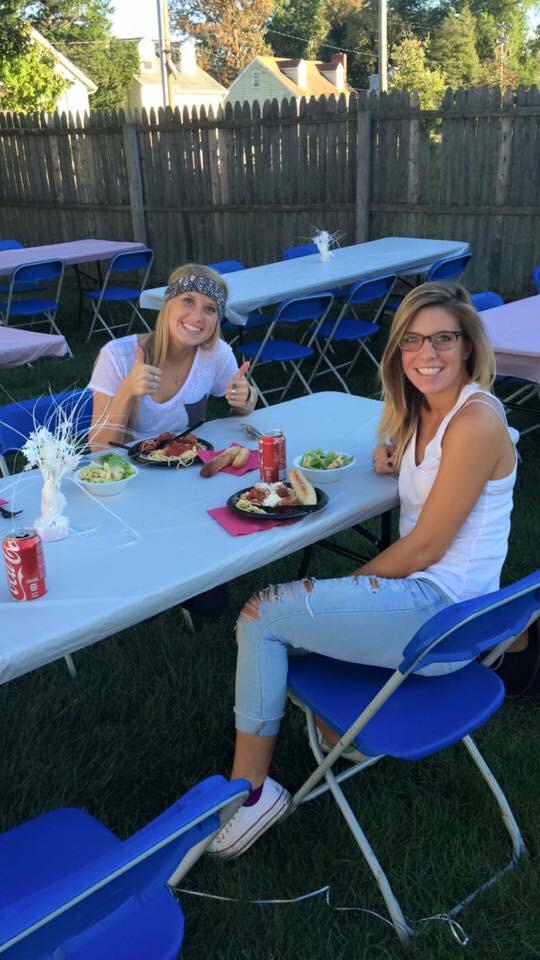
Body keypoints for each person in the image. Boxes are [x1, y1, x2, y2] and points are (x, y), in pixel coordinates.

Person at [208, 281, 517, 860]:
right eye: (412, 341)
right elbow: (450, 465)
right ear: (398, 350)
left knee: (260, 617)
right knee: (296, 623)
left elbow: (425, 547)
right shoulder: (433, 412)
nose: (427, 354)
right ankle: (341, 733)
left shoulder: (474, 421)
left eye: (443, 339)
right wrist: (395, 454)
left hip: (439, 621)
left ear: (469, 346)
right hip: (451, 609)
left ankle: (252, 796)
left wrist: (350, 585)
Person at [88, 263, 257, 450]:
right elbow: (98, 447)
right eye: (188, 301)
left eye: (210, 309)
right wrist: (127, 391)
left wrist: (244, 396)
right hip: (133, 471)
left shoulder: (216, 352)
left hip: (189, 464)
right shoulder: (116, 355)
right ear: (168, 305)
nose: (197, 317)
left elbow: (247, 404)